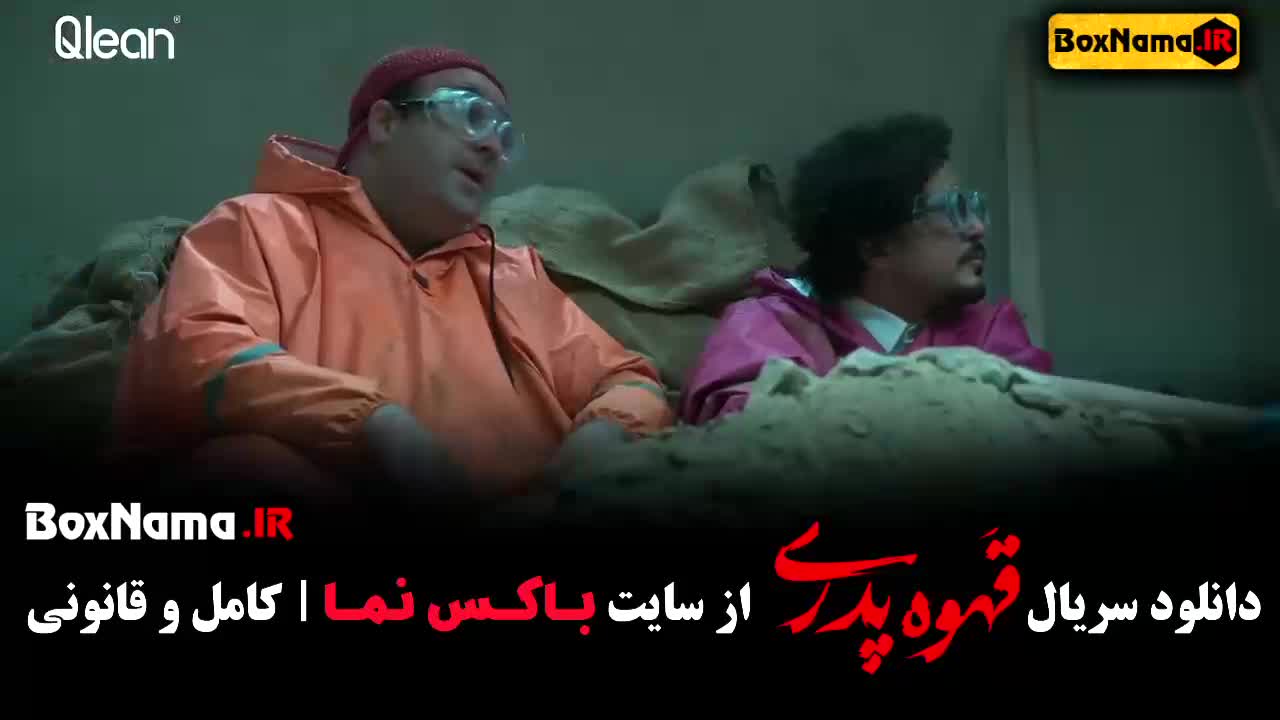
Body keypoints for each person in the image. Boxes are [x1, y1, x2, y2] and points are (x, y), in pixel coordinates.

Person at [112, 47, 674, 500]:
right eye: (470, 113)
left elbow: (631, 381)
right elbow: (193, 351)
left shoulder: (515, 276)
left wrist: (602, 435)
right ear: (384, 121)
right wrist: (376, 426)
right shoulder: (262, 226)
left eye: (503, 135)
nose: (489, 145)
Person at [681, 113, 1050, 425]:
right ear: (876, 246)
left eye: (974, 207)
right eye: (953, 209)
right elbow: (749, 445)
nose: (978, 228)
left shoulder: (988, 330)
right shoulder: (764, 327)